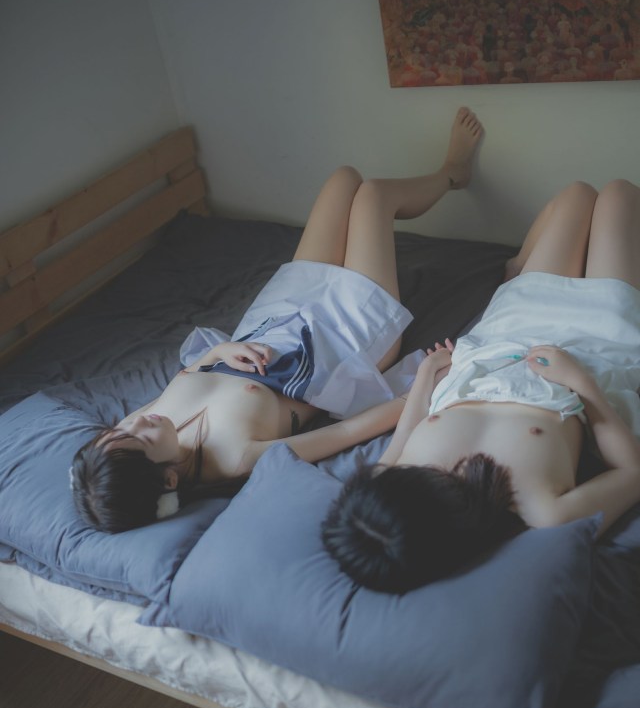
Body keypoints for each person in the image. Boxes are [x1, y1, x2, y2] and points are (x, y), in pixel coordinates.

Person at [71, 108, 484, 532]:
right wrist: (420, 386)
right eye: (141, 438)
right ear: (169, 480)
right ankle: (453, 173)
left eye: (124, 428)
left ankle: (440, 178)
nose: (138, 422)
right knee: (373, 197)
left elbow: (193, 372)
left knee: (344, 180)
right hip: (340, 341)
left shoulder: (135, 430)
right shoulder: (237, 457)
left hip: (275, 317)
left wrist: (221, 351)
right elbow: (346, 435)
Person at [322, 178, 640, 593]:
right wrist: (580, 382)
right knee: (619, 195)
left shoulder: (387, 478)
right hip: (594, 346)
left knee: (577, 195)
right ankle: (522, 270)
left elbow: (411, 425)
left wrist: (427, 376)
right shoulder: (544, 512)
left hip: (506, 333)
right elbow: (631, 471)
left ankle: (516, 270)